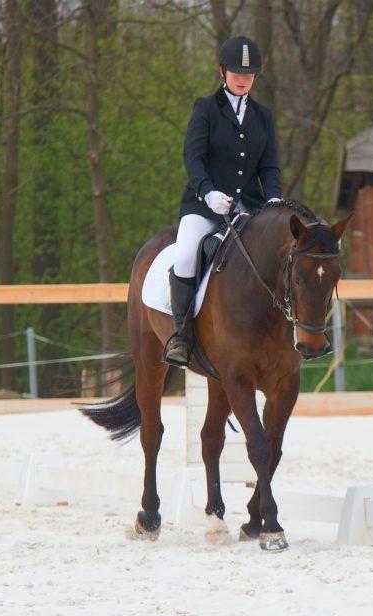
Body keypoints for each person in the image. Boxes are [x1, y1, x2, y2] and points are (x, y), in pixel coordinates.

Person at [163, 35, 283, 368]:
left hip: (250, 209)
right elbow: (193, 157)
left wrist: (274, 198)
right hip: (205, 205)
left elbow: (269, 166)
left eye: (249, 74)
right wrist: (208, 191)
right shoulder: (205, 109)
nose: (242, 79)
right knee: (186, 255)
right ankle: (181, 337)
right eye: (236, 73)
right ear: (222, 72)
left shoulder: (263, 115)